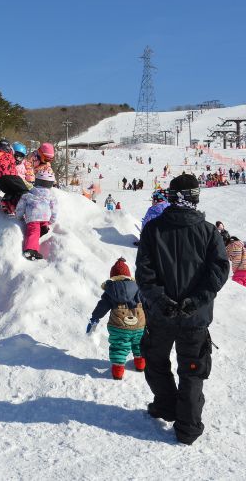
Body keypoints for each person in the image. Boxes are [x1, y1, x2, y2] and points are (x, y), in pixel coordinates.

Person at [135, 173, 229, 445]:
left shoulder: (153, 229)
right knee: (191, 368)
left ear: (172, 197)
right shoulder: (209, 231)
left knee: (155, 360)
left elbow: (144, 274)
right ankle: (186, 426)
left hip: (160, 314)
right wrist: (195, 301)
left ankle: (166, 406)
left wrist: (161, 301)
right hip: (194, 317)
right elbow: (218, 273)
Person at [86, 258, 146, 380]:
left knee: (119, 347)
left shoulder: (110, 290)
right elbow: (146, 303)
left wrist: (95, 318)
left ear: (113, 276)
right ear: (128, 275)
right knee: (139, 344)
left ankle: (118, 372)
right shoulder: (138, 288)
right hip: (139, 325)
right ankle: (140, 365)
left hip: (119, 327)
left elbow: (102, 306)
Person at [16, 169, 58, 260]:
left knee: (33, 231)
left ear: (37, 180)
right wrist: (52, 220)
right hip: (45, 217)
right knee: (40, 227)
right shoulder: (51, 195)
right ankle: (43, 228)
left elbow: (21, 206)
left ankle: (31, 248)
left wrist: (19, 216)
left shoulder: (29, 192)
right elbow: (54, 209)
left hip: (33, 216)